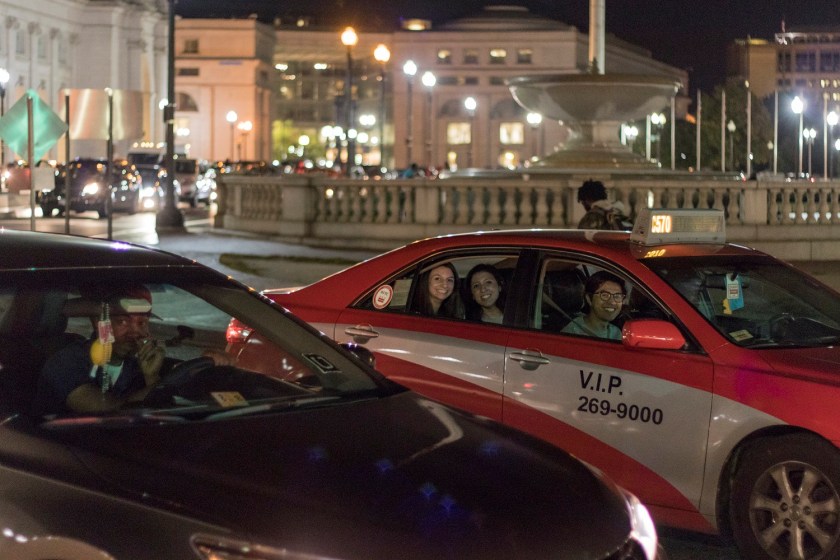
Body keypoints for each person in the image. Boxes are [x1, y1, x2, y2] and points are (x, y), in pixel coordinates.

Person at [32, 285, 167, 416]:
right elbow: (111, 413)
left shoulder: (138, 368)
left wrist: (152, 376)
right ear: (99, 324)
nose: (135, 332)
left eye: (142, 323)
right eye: (122, 322)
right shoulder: (66, 362)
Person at [561, 271, 626, 340]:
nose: (612, 302)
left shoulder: (616, 332)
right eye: (604, 295)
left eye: (617, 296)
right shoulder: (572, 333)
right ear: (589, 299)